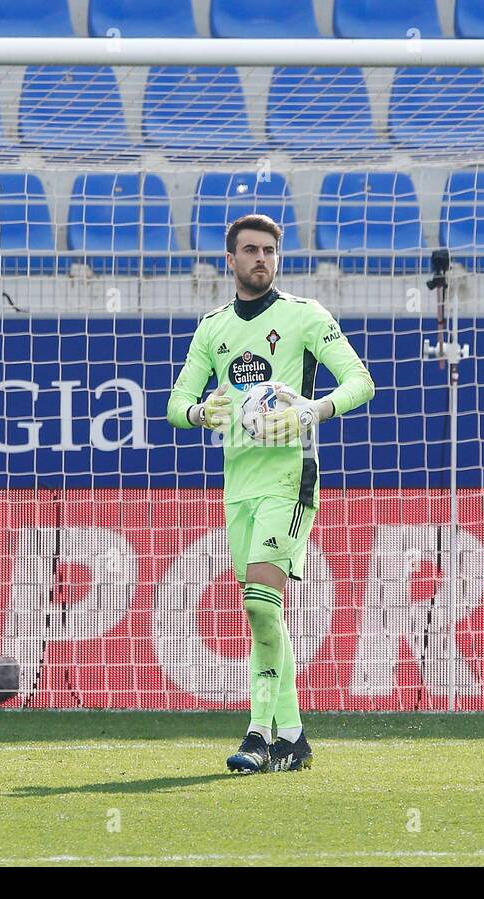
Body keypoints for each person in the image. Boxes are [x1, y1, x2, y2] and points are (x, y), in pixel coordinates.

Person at [166, 214, 374, 773]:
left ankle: (258, 735)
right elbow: (175, 403)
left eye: (270, 251)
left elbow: (360, 382)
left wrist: (311, 408)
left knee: (261, 601)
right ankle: (295, 740)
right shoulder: (212, 329)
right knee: (261, 613)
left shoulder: (305, 317)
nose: (261, 258)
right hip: (239, 484)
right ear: (229, 261)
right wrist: (198, 412)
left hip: (292, 475)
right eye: (250, 250)